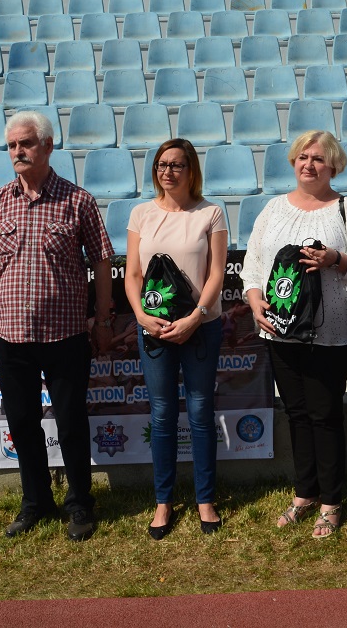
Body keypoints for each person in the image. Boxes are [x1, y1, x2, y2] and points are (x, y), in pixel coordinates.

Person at [0, 109, 114, 542]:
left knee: (71, 422)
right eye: (12, 145)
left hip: (65, 334)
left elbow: (102, 263)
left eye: (26, 143)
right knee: (22, 422)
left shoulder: (78, 201)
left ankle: (80, 503)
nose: (18, 151)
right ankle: (35, 501)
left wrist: (103, 319)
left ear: (48, 146)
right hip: (11, 336)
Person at [241, 131, 347, 540]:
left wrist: (335, 259)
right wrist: (255, 302)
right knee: (297, 414)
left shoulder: (346, 209)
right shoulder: (272, 209)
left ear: (333, 165)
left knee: (325, 416)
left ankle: (331, 501)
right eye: (302, 157)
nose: (309, 164)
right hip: (280, 333)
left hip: (330, 334)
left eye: (318, 158)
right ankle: (304, 493)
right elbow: (252, 266)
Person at [124, 138, 230, 539]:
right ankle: (163, 502)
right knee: (162, 414)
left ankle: (205, 500)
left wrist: (195, 317)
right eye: (161, 165)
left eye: (176, 165)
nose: (167, 172)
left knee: (201, 413)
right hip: (153, 329)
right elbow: (133, 274)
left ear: (191, 170)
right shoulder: (141, 214)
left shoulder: (211, 213)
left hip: (201, 327)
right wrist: (141, 316)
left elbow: (217, 273)